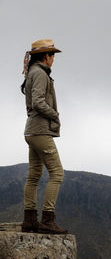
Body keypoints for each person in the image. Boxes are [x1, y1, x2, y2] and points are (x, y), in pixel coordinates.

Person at [20, 39, 68, 234]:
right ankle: (47, 220)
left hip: (31, 130)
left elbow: (31, 104)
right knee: (57, 173)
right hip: (40, 130)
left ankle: (29, 220)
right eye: (52, 55)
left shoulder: (32, 73)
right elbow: (39, 102)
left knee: (34, 176)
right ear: (46, 56)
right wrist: (54, 114)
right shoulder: (40, 74)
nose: (54, 59)